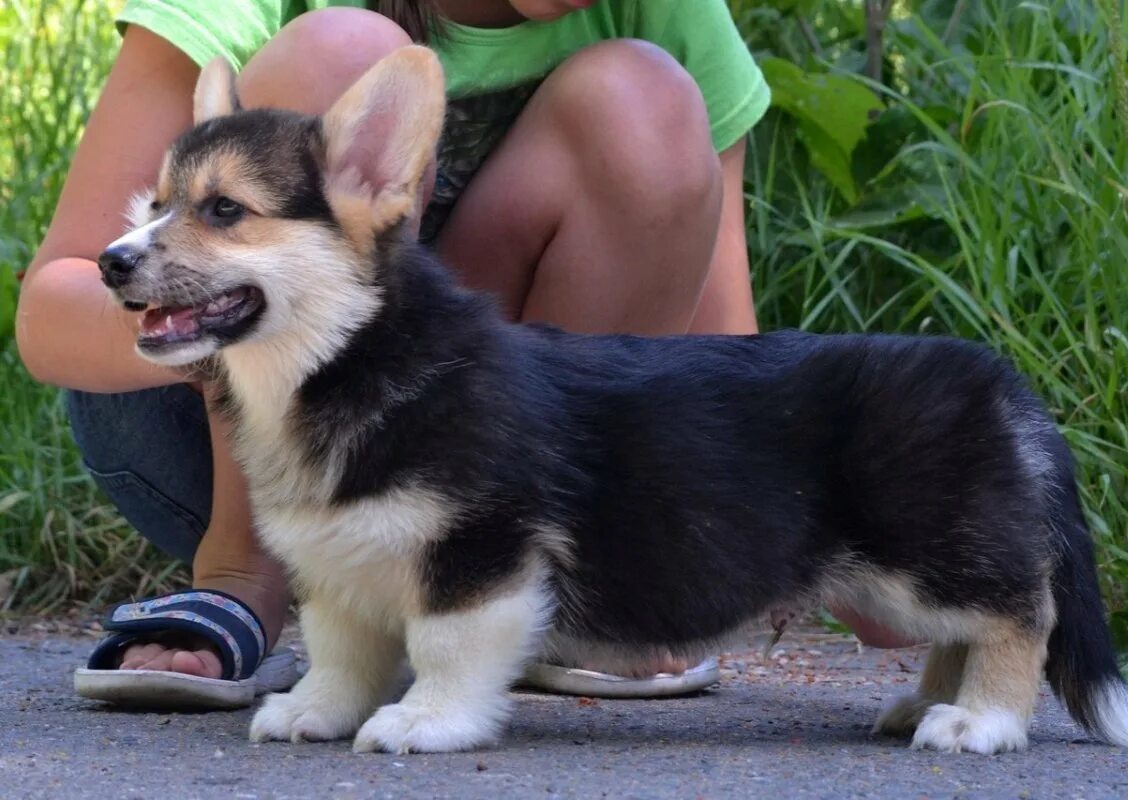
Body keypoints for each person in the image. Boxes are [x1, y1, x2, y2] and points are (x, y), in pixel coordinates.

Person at [17, 0, 912, 707]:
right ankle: (239, 575)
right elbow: (49, 314)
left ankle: (537, 594)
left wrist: (827, 519)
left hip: (479, 477)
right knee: (340, 48)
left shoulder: (670, 10)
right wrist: (255, 313)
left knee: (644, 96)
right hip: (200, 422)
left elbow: (722, 336)